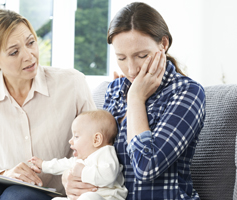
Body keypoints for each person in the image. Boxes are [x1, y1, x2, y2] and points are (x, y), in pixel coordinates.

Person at [63, 2, 206, 200]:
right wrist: (70, 179)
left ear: (163, 44)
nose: (131, 70)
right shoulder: (114, 90)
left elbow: (147, 167)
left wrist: (136, 99)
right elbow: (95, 152)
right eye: (121, 58)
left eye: (142, 56)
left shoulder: (187, 92)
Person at [0, 6, 96, 200]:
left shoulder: (72, 84)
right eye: (14, 52)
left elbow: (94, 150)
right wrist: (7, 174)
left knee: (17, 195)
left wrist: (69, 175)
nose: (29, 55)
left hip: (54, 192)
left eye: (31, 43)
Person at [28, 110, 128, 200]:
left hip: (106, 197)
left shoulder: (105, 152)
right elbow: (62, 164)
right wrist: (43, 165)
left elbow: (109, 175)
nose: (70, 141)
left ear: (96, 139)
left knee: (89, 197)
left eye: (76, 136)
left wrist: (83, 171)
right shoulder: (81, 158)